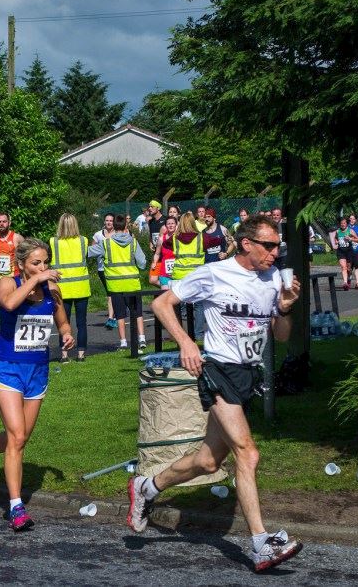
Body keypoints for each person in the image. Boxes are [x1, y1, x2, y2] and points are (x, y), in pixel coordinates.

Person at [128, 214, 304, 573]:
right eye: (268, 246)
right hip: (217, 372)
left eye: (277, 246)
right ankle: (260, 544)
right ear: (246, 244)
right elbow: (161, 304)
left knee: (208, 462)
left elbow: (282, 336)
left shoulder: (273, 280)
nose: (275, 253)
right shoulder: (216, 273)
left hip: (246, 376)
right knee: (248, 453)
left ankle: (147, 487)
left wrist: (285, 307)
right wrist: (186, 343)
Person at [0, 238, 73, 531]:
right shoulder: (7, 284)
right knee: (16, 436)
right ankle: (16, 507)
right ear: (22, 264)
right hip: (7, 370)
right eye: (36, 263)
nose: (43, 268)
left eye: (45, 262)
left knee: (22, 436)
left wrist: (66, 333)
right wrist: (37, 279)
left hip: (37, 372)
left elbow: (62, 321)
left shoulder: (52, 290)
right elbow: (10, 303)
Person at [87, 214, 147, 351]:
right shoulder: (133, 242)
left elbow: (89, 252)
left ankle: (123, 342)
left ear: (113, 226)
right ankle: (142, 338)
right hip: (132, 283)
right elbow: (142, 263)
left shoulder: (106, 243)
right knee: (137, 312)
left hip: (115, 285)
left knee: (120, 314)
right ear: (126, 226)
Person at [50, 213, 91, 362]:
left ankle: (64, 355)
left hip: (62, 289)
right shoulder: (83, 241)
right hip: (81, 287)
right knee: (81, 323)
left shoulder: (53, 242)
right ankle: (81, 354)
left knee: (63, 323)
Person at [92, 213, 117, 330]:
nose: (109, 222)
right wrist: (101, 252)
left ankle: (113, 316)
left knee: (114, 292)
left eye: (111, 221)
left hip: (115, 268)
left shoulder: (118, 234)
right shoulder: (97, 235)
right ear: (104, 222)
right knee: (110, 293)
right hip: (102, 268)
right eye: (107, 220)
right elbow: (92, 250)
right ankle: (112, 317)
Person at [149, 215, 178, 290]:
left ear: (176, 225)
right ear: (165, 226)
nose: (171, 225)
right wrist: (154, 262)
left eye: (172, 223)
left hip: (178, 272)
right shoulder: (162, 238)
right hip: (165, 273)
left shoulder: (180, 238)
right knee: (165, 296)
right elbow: (157, 253)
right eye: (168, 224)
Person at [333, 217, 358, 291]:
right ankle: (345, 283)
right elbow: (335, 238)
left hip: (349, 251)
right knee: (343, 267)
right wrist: (336, 241)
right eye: (341, 223)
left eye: (344, 223)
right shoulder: (338, 231)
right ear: (340, 224)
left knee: (349, 268)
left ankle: (349, 278)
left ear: (346, 224)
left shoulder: (350, 231)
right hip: (341, 251)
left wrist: (350, 239)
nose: (343, 224)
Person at [348, 213, 358, 289]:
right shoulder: (345, 228)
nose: (352, 220)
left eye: (353, 219)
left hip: (357, 249)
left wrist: (352, 239)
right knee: (349, 267)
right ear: (348, 219)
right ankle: (349, 280)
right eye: (350, 218)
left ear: (355, 220)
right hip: (348, 250)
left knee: (357, 266)